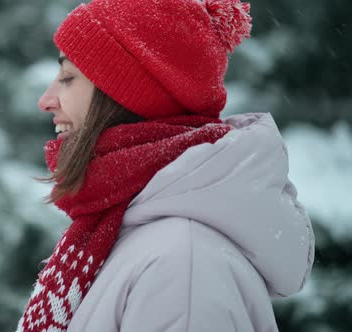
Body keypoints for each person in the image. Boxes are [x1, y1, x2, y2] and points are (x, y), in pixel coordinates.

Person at [16, 0, 315, 331]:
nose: (45, 100)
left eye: (68, 77)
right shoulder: (128, 236)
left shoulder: (183, 269)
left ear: (129, 96)